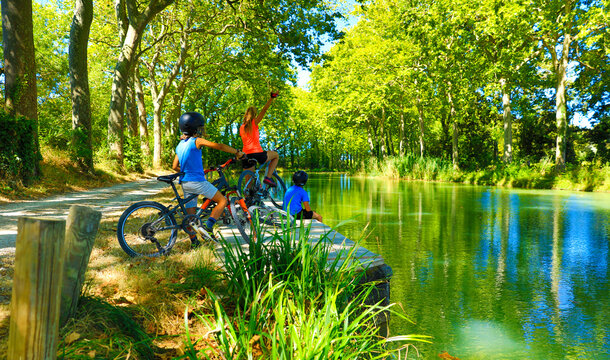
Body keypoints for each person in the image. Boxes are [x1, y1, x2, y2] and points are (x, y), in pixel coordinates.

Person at [172, 112, 244, 247]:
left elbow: (175, 166)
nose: (201, 130)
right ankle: (208, 226)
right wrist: (237, 152)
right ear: (195, 129)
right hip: (198, 182)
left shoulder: (180, 144)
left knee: (191, 217)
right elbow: (220, 146)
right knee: (222, 200)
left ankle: (194, 242)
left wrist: (187, 171)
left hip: (185, 182)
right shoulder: (197, 141)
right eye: (200, 128)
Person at [239, 92, 280, 187]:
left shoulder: (241, 127)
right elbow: (264, 110)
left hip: (245, 155)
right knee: (276, 155)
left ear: (245, 115)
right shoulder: (254, 123)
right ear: (254, 115)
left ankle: (247, 199)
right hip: (257, 154)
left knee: (247, 184)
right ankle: (268, 178)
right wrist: (271, 98)